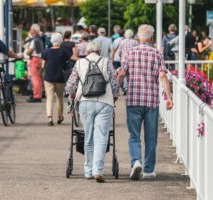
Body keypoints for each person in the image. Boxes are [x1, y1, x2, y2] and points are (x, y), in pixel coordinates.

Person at [117, 24, 173, 180]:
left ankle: (136, 162)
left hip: (133, 99)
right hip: (151, 102)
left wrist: (116, 91)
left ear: (137, 38)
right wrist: (168, 97)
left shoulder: (130, 53)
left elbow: (122, 73)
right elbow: (162, 76)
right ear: (152, 38)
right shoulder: (156, 54)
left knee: (134, 135)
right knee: (151, 137)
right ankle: (148, 170)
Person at [66, 42, 119, 183]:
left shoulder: (80, 63)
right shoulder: (106, 62)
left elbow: (70, 85)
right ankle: (98, 170)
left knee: (88, 137)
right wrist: (115, 97)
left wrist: (71, 96)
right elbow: (114, 83)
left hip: (85, 102)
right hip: (105, 102)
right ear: (99, 51)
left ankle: (88, 171)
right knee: (101, 137)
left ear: (87, 51)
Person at [42, 33, 74, 126]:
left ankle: (50, 118)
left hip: (48, 77)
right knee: (59, 97)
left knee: (49, 98)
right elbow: (72, 58)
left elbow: (43, 65)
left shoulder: (46, 51)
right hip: (60, 77)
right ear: (61, 40)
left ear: (51, 40)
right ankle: (60, 117)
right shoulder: (64, 51)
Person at [116, 29, 139, 95]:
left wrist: (121, 58)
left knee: (124, 73)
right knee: (132, 73)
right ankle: (131, 87)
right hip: (133, 60)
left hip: (124, 60)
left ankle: (125, 87)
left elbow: (119, 52)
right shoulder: (135, 42)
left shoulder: (122, 42)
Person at [26, 24, 45, 103]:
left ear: (33, 30)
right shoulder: (40, 39)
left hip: (34, 59)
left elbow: (30, 51)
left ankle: (36, 96)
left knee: (35, 78)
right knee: (39, 78)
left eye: (30, 28)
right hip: (39, 59)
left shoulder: (34, 40)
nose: (30, 30)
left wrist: (27, 53)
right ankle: (39, 94)